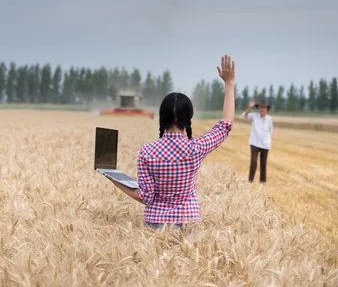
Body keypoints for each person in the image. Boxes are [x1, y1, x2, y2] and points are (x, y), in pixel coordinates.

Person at [108, 55, 235, 231]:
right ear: (188, 117)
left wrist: (114, 179)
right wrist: (229, 84)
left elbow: (145, 197)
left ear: (162, 117)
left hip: (155, 223)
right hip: (187, 222)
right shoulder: (196, 148)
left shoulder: (148, 151)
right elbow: (225, 126)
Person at [242, 98, 273, 183]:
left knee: (263, 164)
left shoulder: (269, 119)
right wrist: (250, 107)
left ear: (267, 109)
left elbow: (270, 131)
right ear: (258, 108)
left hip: (265, 144)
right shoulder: (254, 116)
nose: (262, 109)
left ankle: (262, 182)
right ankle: (250, 181)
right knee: (253, 163)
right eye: (261, 107)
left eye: (264, 107)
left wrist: (269, 142)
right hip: (254, 143)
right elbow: (244, 115)